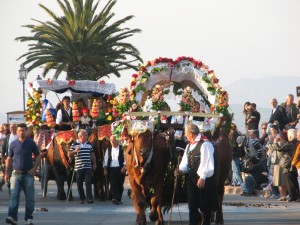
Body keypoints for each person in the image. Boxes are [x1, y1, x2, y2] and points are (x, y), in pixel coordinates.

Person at [174, 123, 217, 225]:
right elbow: (185, 162)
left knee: (205, 206)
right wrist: (180, 170)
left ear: (191, 133)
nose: (185, 135)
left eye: (186, 133)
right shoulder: (189, 146)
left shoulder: (205, 144)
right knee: (192, 205)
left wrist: (202, 177)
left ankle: (206, 222)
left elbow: (207, 163)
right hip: (192, 178)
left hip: (204, 179)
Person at [4, 123, 41, 225]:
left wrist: (35, 169)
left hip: (28, 174)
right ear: (17, 131)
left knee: (30, 198)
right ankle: (12, 217)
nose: (21, 132)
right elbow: (9, 159)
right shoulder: (13, 144)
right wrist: (7, 173)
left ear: (26, 131)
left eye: (23, 130)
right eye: (19, 130)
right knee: (14, 196)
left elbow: (38, 156)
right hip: (15, 174)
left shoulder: (31, 143)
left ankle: (28, 218)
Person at [68, 129, 97, 204]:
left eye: (87, 135)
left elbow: (92, 155)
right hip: (79, 167)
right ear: (81, 136)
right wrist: (75, 151)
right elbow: (69, 154)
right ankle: (82, 198)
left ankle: (89, 198)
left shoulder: (89, 144)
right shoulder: (74, 144)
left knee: (88, 182)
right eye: (86, 135)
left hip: (88, 166)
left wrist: (94, 163)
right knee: (79, 183)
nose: (87, 136)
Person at [278, 129, 300, 202]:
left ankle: (293, 196)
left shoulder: (292, 143)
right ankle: (295, 196)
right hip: (294, 165)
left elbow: (280, 148)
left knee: (291, 181)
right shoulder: (296, 143)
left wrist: (274, 143)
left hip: (292, 165)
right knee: (294, 181)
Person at [103, 135, 126, 205]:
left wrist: (124, 167)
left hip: (120, 168)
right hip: (111, 168)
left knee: (120, 184)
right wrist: (105, 169)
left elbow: (126, 159)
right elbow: (105, 159)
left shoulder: (122, 148)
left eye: (114, 140)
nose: (112, 142)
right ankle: (115, 198)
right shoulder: (109, 149)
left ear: (117, 141)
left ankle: (119, 199)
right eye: (111, 140)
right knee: (113, 183)